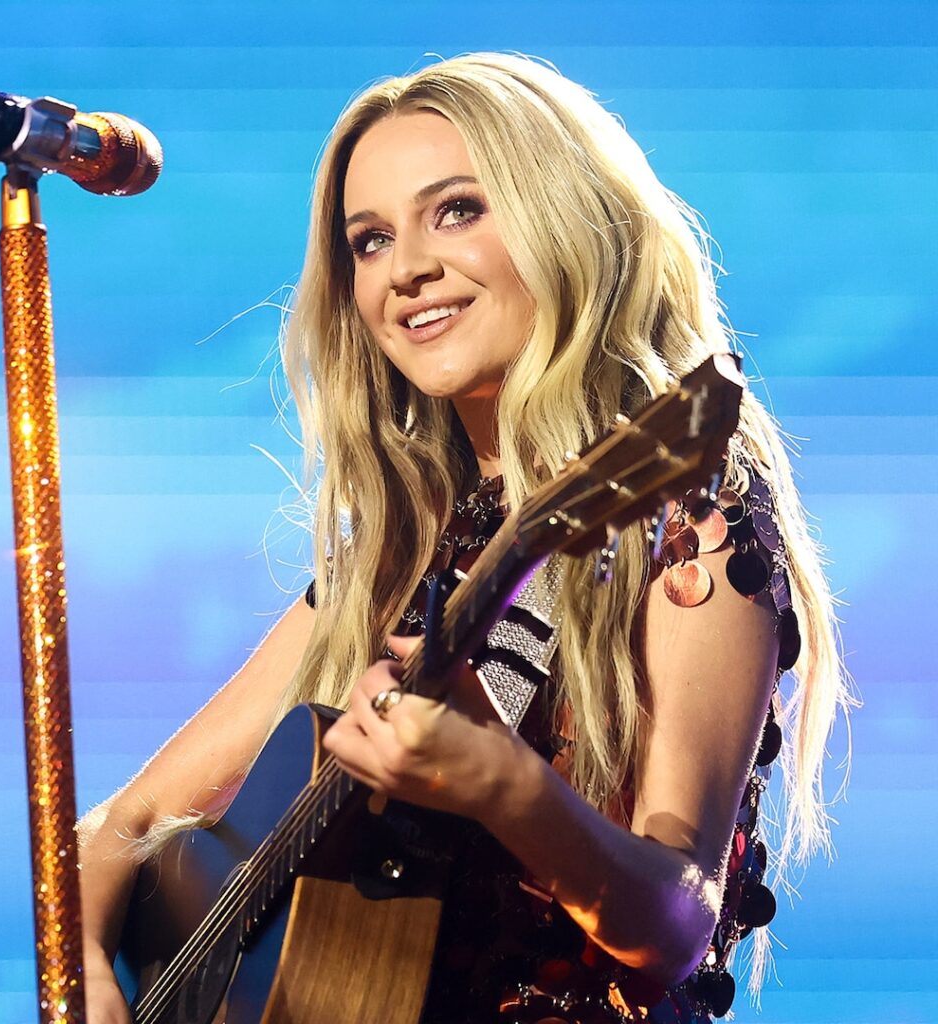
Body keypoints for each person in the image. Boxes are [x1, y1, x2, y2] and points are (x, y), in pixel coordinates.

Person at [78, 53, 849, 1023]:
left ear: (562, 216)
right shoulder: (397, 557)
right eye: (369, 240)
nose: (405, 269)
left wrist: (503, 781)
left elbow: (676, 917)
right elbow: (122, 823)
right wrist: (88, 976)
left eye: (456, 210)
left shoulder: (686, 522)